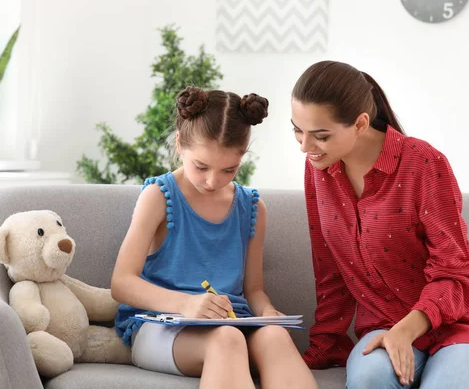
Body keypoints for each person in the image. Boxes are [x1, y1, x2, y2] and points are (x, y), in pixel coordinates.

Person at [290, 61, 469, 388]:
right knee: (368, 380)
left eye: (320, 135)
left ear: (360, 123)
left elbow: (456, 270)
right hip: (383, 324)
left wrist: (405, 332)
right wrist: (324, 344)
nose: (304, 146)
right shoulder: (319, 170)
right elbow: (331, 270)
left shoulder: (423, 164)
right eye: (297, 129)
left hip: (465, 325)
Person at [111, 87, 317, 389]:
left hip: (233, 324)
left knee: (274, 336)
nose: (212, 181)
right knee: (226, 338)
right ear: (180, 144)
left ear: (242, 157)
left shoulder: (253, 208)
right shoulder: (159, 196)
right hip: (162, 326)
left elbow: (254, 290)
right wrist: (186, 304)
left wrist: (267, 312)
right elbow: (121, 282)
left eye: (228, 170)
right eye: (201, 167)